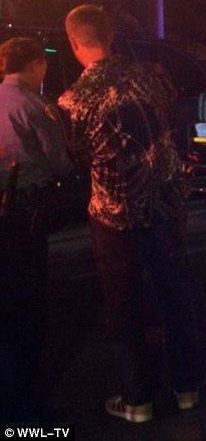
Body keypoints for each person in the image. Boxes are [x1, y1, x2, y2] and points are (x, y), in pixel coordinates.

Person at [57, 5, 205, 424]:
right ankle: (187, 388)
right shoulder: (154, 76)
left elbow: (77, 159)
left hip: (114, 215)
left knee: (125, 306)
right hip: (165, 204)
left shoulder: (73, 100)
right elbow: (174, 123)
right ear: (111, 34)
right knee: (174, 295)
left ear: (73, 43)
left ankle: (138, 399)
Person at [0, 37, 72, 422]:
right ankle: (23, 410)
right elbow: (59, 163)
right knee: (27, 306)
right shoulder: (36, 106)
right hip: (26, 212)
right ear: (34, 66)